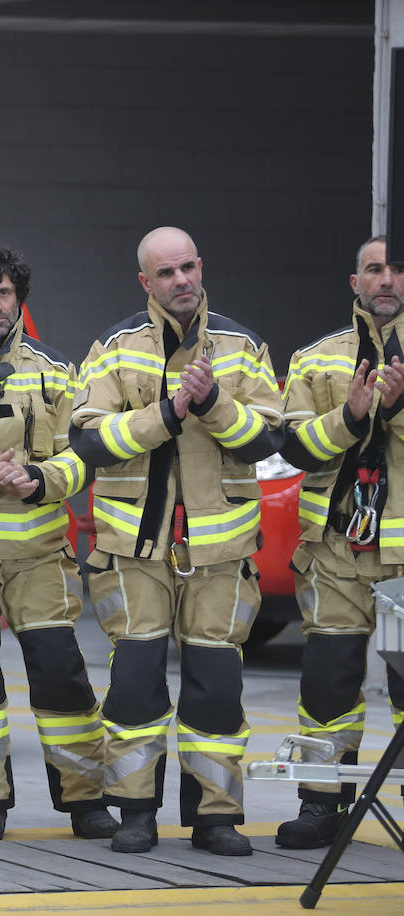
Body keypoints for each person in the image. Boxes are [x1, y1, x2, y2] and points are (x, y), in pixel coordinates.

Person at [70, 226, 284, 856]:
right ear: (145, 282)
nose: (181, 281)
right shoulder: (112, 348)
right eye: (165, 273)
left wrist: (213, 400)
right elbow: (88, 440)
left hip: (219, 553)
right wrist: (165, 414)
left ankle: (215, 817)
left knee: (216, 687)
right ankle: (136, 811)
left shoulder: (243, 347)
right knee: (135, 685)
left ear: (200, 266)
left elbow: (266, 441)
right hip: (134, 551)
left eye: (187, 267)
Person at [0, 240, 116, 841]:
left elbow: (83, 457)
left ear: (19, 297)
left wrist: (38, 479)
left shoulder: (57, 368)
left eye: (4, 293)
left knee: (61, 673)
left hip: (39, 553)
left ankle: (85, 799)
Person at [276, 235, 404, 848]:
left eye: (397, 268)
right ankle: (322, 804)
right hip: (336, 545)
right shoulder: (313, 359)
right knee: (329, 678)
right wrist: (351, 419)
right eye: (374, 269)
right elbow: (295, 446)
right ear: (354, 283)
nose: (386, 279)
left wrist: (397, 409)